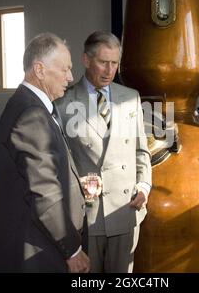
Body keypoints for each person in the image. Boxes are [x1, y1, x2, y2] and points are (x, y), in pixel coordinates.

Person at [55, 31, 152, 272]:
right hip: (88, 214)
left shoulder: (130, 97)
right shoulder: (63, 103)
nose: (110, 70)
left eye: (115, 63)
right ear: (86, 60)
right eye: (103, 62)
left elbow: (142, 150)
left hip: (126, 210)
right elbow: (57, 162)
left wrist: (144, 186)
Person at [0, 33, 90, 273]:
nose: (70, 76)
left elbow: (41, 173)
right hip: (39, 251)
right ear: (39, 69)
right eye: (65, 69)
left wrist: (77, 186)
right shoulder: (31, 115)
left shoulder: (34, 107)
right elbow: (43, 193)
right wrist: (73, 250)